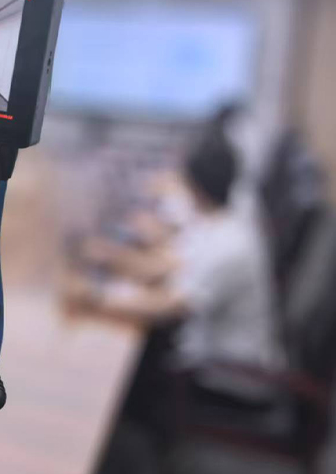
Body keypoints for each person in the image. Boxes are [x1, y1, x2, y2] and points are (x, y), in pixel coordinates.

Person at [67, 134, 285, 473]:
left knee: (116, 369)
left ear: (195, 187)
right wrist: (112, 256)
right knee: (117, 355)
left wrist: (95, 298)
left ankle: (123, 451)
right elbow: (169, 266)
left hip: (229, 374)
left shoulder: (229, 246)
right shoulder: (219, 222)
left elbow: (168, 305)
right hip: (208, 353)